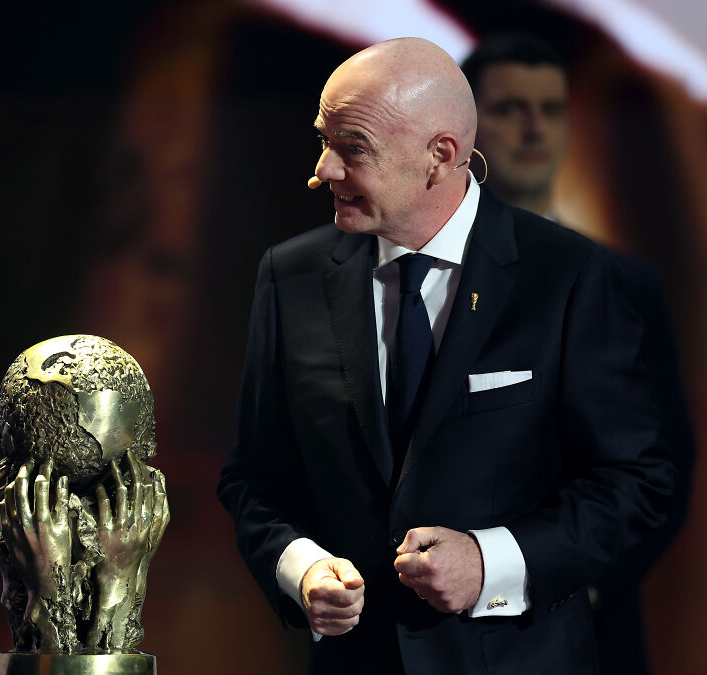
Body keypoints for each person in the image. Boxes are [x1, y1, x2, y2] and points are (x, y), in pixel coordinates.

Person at [217, 37, 673, 674]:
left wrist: (493, 562)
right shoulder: (287, 276)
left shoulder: (569, 276)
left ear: (440, 156)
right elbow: (254, 481)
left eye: (353, 148)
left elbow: (633, 482)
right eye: (324, 140)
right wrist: (302, 568)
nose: (322, 170)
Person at [461, 32, 696, 675]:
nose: (535, 127)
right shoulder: (406, 276)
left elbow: (663, 462)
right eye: (511, 109)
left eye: (553, 109)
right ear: (462, 128)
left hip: (583, 634)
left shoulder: (626, 285)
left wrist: (576, 585)